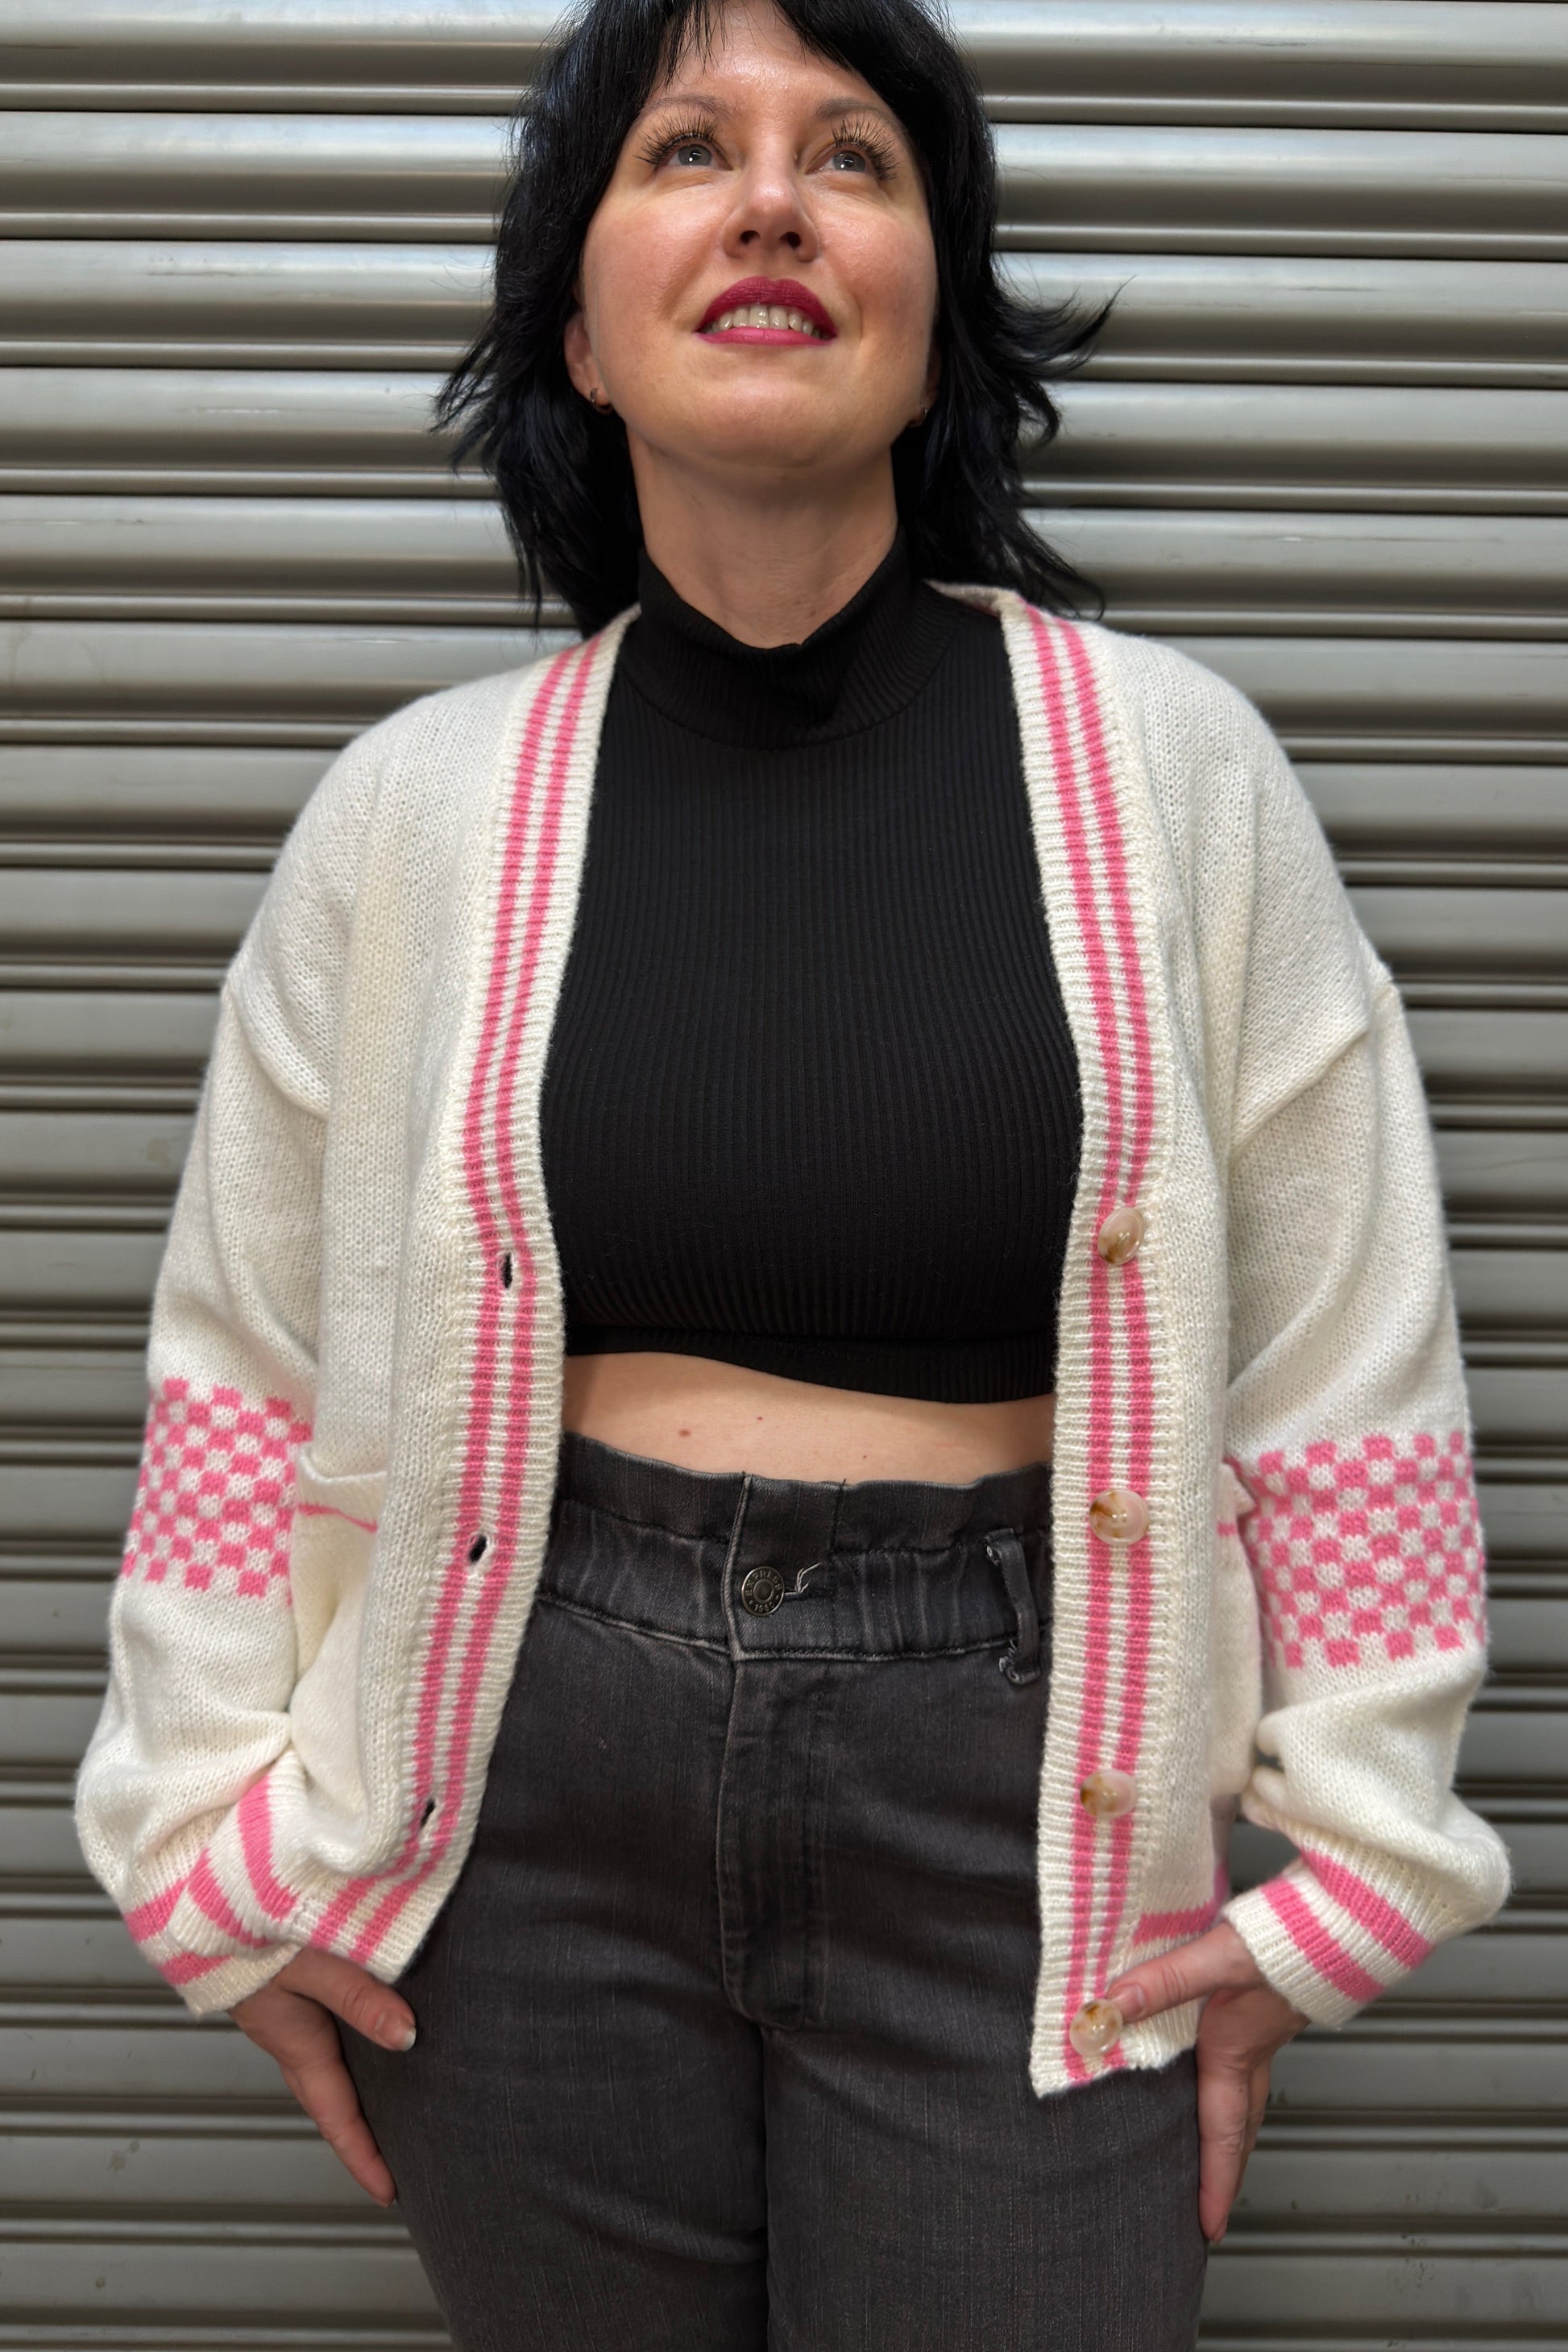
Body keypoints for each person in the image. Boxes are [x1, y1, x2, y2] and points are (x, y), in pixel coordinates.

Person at [74, 1, 1511, 2346]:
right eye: (683, 150)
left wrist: (1344, 1869)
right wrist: (207, 1850)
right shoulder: (411, 817)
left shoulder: (1171, 775)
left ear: (932, 310)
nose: (767, 199)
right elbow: (237, 1367)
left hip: (1025, 1809)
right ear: (581, 320)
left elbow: (1347, 1346)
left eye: (848, 155)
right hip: (506, 1804)